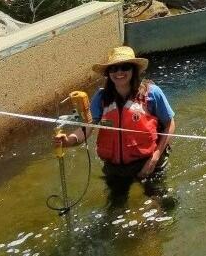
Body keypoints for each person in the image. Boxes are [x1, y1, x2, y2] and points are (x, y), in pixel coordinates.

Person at [55, 46, 176, 205]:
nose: (119, 72)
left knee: (161, 205)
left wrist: (153, 159)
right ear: (108, 73)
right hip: (115, 168)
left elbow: (170, 124)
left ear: (133, 70)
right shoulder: (101, 98)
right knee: (115, 208)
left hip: (148, 162)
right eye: (113, 68)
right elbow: (87, 127)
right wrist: (68, 141)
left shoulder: (152, 93)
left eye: (125, 67)